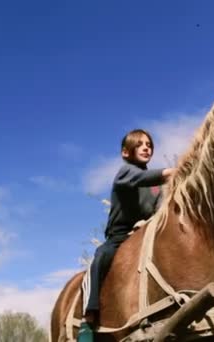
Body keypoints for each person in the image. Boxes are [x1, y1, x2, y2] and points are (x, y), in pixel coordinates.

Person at [78, 128, 176, 342]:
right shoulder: (126, 172)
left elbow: (160, 209)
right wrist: (172, 172)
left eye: (149, 145)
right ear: (126, 152)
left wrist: (148, 222)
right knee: (100, 257)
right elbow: (143, 178)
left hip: (145, 232)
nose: (146, 147)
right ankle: (88, 316)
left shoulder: (158, 187)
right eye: (140, 144)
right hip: (119, 235)